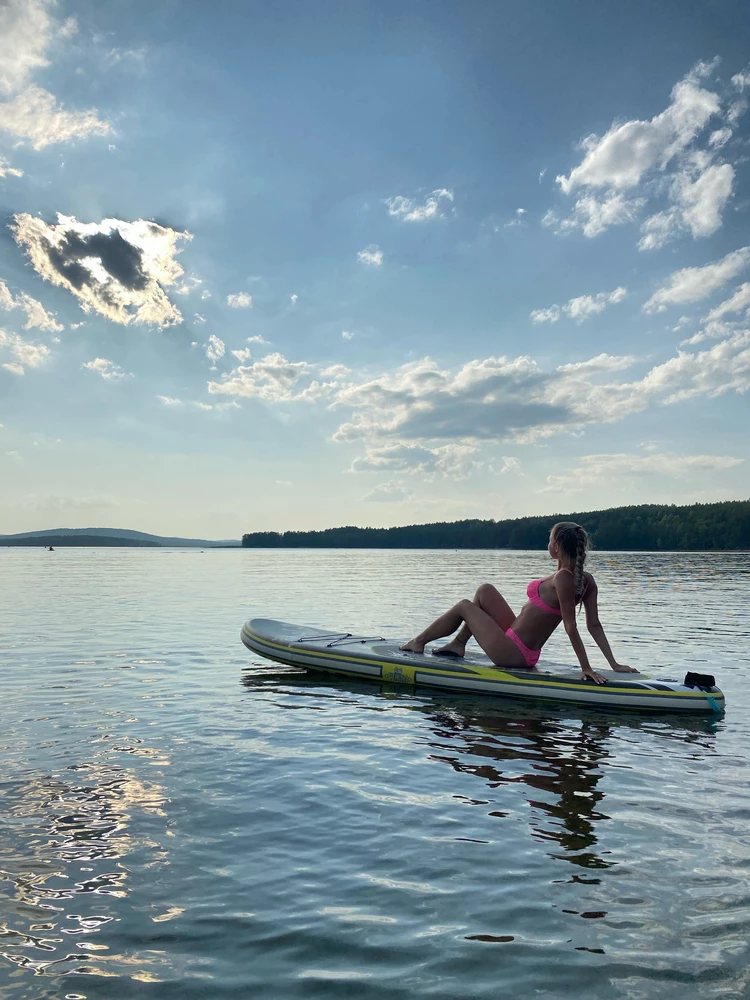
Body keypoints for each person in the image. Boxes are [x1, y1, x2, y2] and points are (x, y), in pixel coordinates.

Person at [399, 521, 638, 684]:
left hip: (514, 654)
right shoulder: (584, 580)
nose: (547, 545)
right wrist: (613, 664)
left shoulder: (564, 579)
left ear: (555, 547)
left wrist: (585, 667)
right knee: (484, 591)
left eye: (549, 540)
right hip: (514, 638)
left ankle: (418, 641)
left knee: (464, 606)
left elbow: (571, 626)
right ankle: (459, 643)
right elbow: (594, 626)